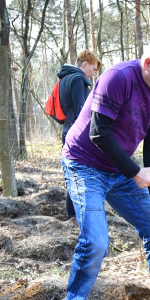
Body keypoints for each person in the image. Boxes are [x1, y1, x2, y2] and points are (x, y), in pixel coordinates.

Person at [61, 37, 150, 300]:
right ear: (147, 65)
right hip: (84, 164)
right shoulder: (117, 79)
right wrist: (134, 172)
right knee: (96, 240)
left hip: (119, 170)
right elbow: (98, 133)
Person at [58, 51, 102, 219]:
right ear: (84, 65)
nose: (93, 73)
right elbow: (81, 111)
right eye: (92, 69)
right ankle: (73, 214)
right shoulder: (77, 80)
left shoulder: (66, 77)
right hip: (76, 134)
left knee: (73, 173)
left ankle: (74, 213)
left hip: (68, 131)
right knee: (78, 173)